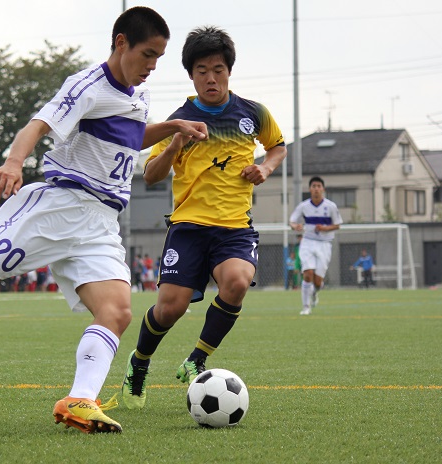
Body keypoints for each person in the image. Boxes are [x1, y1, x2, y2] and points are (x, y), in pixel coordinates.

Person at [0, 6, 208, 434]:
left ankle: (80, 400)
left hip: (101, 223)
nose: (152, 66)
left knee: (117, 311)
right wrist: (14, 161)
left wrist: (173, 127)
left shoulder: (139, 95)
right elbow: (39, 125)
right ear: (121, 43)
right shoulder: (86, 85)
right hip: (59, 208)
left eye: (159, 57)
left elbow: (129, 136)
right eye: (148, 54)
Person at [120, 26, 287, 409]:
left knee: (237, 282)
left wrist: (265, 167)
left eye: (218, 70)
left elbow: (277, 147)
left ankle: (197, 359)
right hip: (189, 228)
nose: (211, 78)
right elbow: (151, 175)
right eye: (202, 71)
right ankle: (139, 362)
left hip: (234, 228)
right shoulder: (180, 119)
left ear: (229, 71)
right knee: (171, 308)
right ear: (191, 75)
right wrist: (174, 144)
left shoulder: (253, 113)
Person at [289, 176, 342, 315]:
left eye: (319, 186)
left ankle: (315, 292)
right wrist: (295, 226)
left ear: (323, 189)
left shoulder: (330, 206)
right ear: (310, 189)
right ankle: (306, 307)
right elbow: (292, 221)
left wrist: (324, 228)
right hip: (307, 242)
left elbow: (337, 225)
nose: (316, 189)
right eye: (314, 186)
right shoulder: (304, 206)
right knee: (307, 274)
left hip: (324, 244)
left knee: (318, 282)